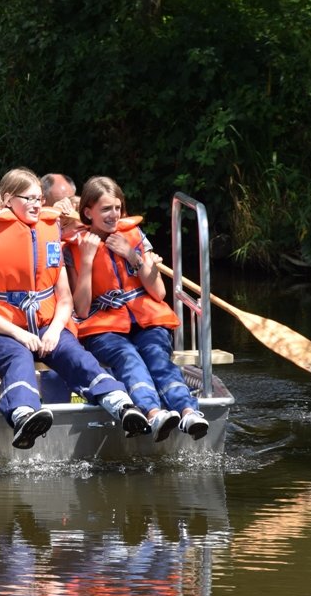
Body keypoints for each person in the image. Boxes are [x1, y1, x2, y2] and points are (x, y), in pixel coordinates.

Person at [0, 167, 149, 449]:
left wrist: (53, 330)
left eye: (40, 198)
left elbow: (65, 299)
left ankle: (120, 404)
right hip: (1, 328)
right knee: (17, 358)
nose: (37, 205)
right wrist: (21, 334)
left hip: (47, 322)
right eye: (29, 199)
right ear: (6, 199)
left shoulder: (49, 232)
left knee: (74, 353)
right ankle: (24, 414)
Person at [65, 175, 210, 441]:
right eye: (106, 209)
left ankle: (189, 411)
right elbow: (82, 310)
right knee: (128, 357)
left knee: (156, 355)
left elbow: (160, 292)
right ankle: (153, 413)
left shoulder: (133, 236)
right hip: (104, 327)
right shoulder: (74, 247)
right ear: (88, 212)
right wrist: (86, 262)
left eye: (118, 208)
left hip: (146, 320)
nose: (114, 215)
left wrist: (132, 255)